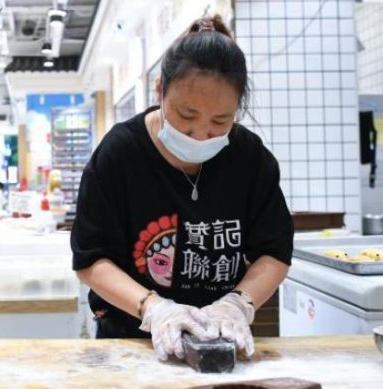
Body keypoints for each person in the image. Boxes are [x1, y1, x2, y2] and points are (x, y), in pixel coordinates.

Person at [71, 15, 293, 362]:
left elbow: (275, 252)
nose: (201, 134)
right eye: (186, 116)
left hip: (222, 344)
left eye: (220, 121)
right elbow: (90, 259)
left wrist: (238, 304)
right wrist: (155, 309)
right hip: (132, 346)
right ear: (160, 90)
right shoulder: (120, 155)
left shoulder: (249, 158)